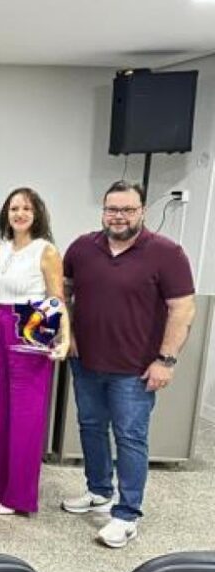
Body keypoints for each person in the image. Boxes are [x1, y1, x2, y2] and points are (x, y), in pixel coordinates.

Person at [60, 180, 196, 548]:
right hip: (86, 361)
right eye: (112, 209)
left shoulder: (167, 253)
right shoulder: (82, 248)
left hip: (135, 369)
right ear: (103, 211)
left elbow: (182, 309)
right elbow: (62, 293)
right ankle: (99, 491)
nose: (118, 216)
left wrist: (166, 360)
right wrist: (67, 334)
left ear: (142, 212)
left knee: (130, 437)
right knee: (90, 427)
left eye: (127, 209)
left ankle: (126, 514)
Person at [0, 187, 69, 515]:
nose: (19, 214)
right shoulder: (1, 248)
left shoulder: (46, 251)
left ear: (37, 214)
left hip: (30, 327)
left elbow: (57, 298)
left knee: (25, 414)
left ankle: (18, 496)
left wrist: (65, 338)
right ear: (6, 213)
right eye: (14, 208)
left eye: (26, 209)